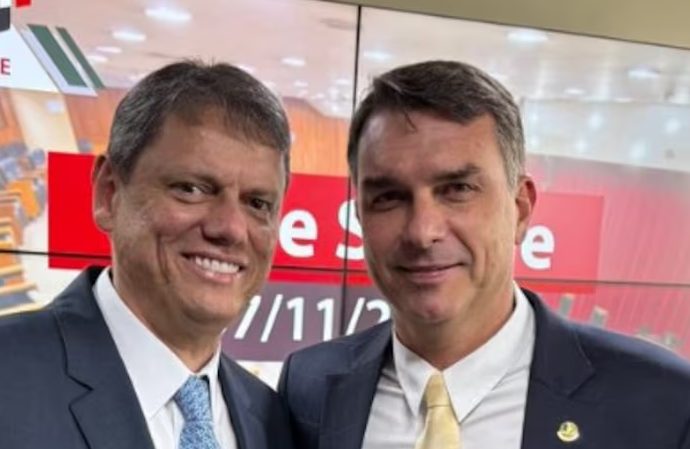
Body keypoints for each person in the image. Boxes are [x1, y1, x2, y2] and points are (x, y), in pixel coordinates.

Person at [278, 60, 690, 449]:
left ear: (520, 208)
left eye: (457, 189)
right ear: (360, 215)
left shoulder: (660, 400)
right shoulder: (308, 387)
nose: (422, 232)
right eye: (388, 197)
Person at [0, 61, 294, 449]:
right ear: (109, 193)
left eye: (257, 204)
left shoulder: (274, 422)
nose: (230, 228)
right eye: (191, 189)